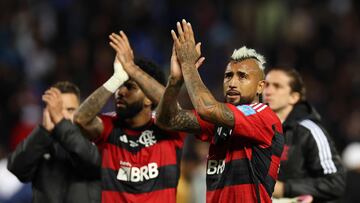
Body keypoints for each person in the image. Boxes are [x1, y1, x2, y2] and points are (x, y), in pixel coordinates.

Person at [156, 19, 284, 203]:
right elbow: (166, 120)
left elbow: (207, 108)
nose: (232, 83)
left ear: (260, 87)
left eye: (242, 76)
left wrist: (189, 66)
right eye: (228, 76)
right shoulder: (221, 122)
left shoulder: (263, 116)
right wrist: (175, 81)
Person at [73, 31, 203, 203]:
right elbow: (80, 119)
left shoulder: (168, 126)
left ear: (149, 98)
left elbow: (173, 110)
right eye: (119, 86)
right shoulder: (109, 126)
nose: (120, 92)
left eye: (130, 87)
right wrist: (117, 78)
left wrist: (132, 69)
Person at [7, 81, 101, 203]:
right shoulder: (41, 142)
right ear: (47, 111)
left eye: (70, 110)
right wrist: (43, 132)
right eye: (58, 110)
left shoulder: (96, 140)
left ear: (81, 112)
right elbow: (17, 168)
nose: (64, 116)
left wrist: (61, 124)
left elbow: (92, 161)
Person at [263, 67, 345, 203]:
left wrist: (284, 188)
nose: (268, 91)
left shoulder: (310, 132)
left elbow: (335, 183)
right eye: (266, 85)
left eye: (277, 86)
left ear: (294, 97)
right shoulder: (255, 129)